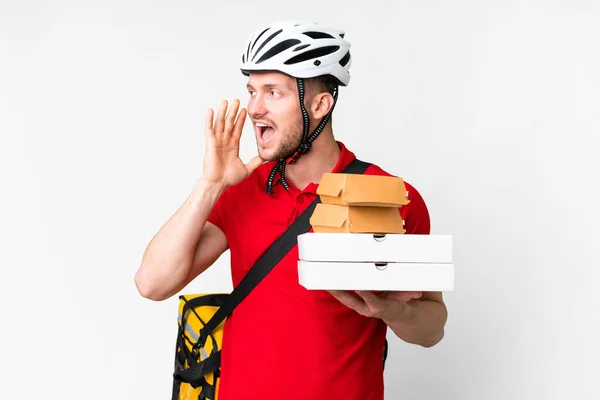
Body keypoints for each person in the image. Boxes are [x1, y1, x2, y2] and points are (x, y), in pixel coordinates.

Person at [135, 20, 448, 400]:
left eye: (273, 92)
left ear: (320, 104)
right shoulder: (242, 190)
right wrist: (210, 185)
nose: (254, 108)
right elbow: (152, 283)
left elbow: (432, 330)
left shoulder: (393, 198)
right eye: (252, 91)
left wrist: (391, 312)